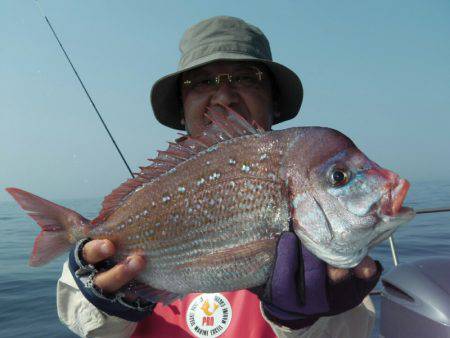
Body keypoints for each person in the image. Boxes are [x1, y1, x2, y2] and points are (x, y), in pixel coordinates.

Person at [57, 16, 381, 338]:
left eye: (245, 78)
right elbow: (91, 329)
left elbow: (352, 328)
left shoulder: (314, 202)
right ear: (182, 109)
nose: (224, 96)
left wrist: (307, 321)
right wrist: (104, 298)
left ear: (274, 103)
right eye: (200, 82)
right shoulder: (142, 204)